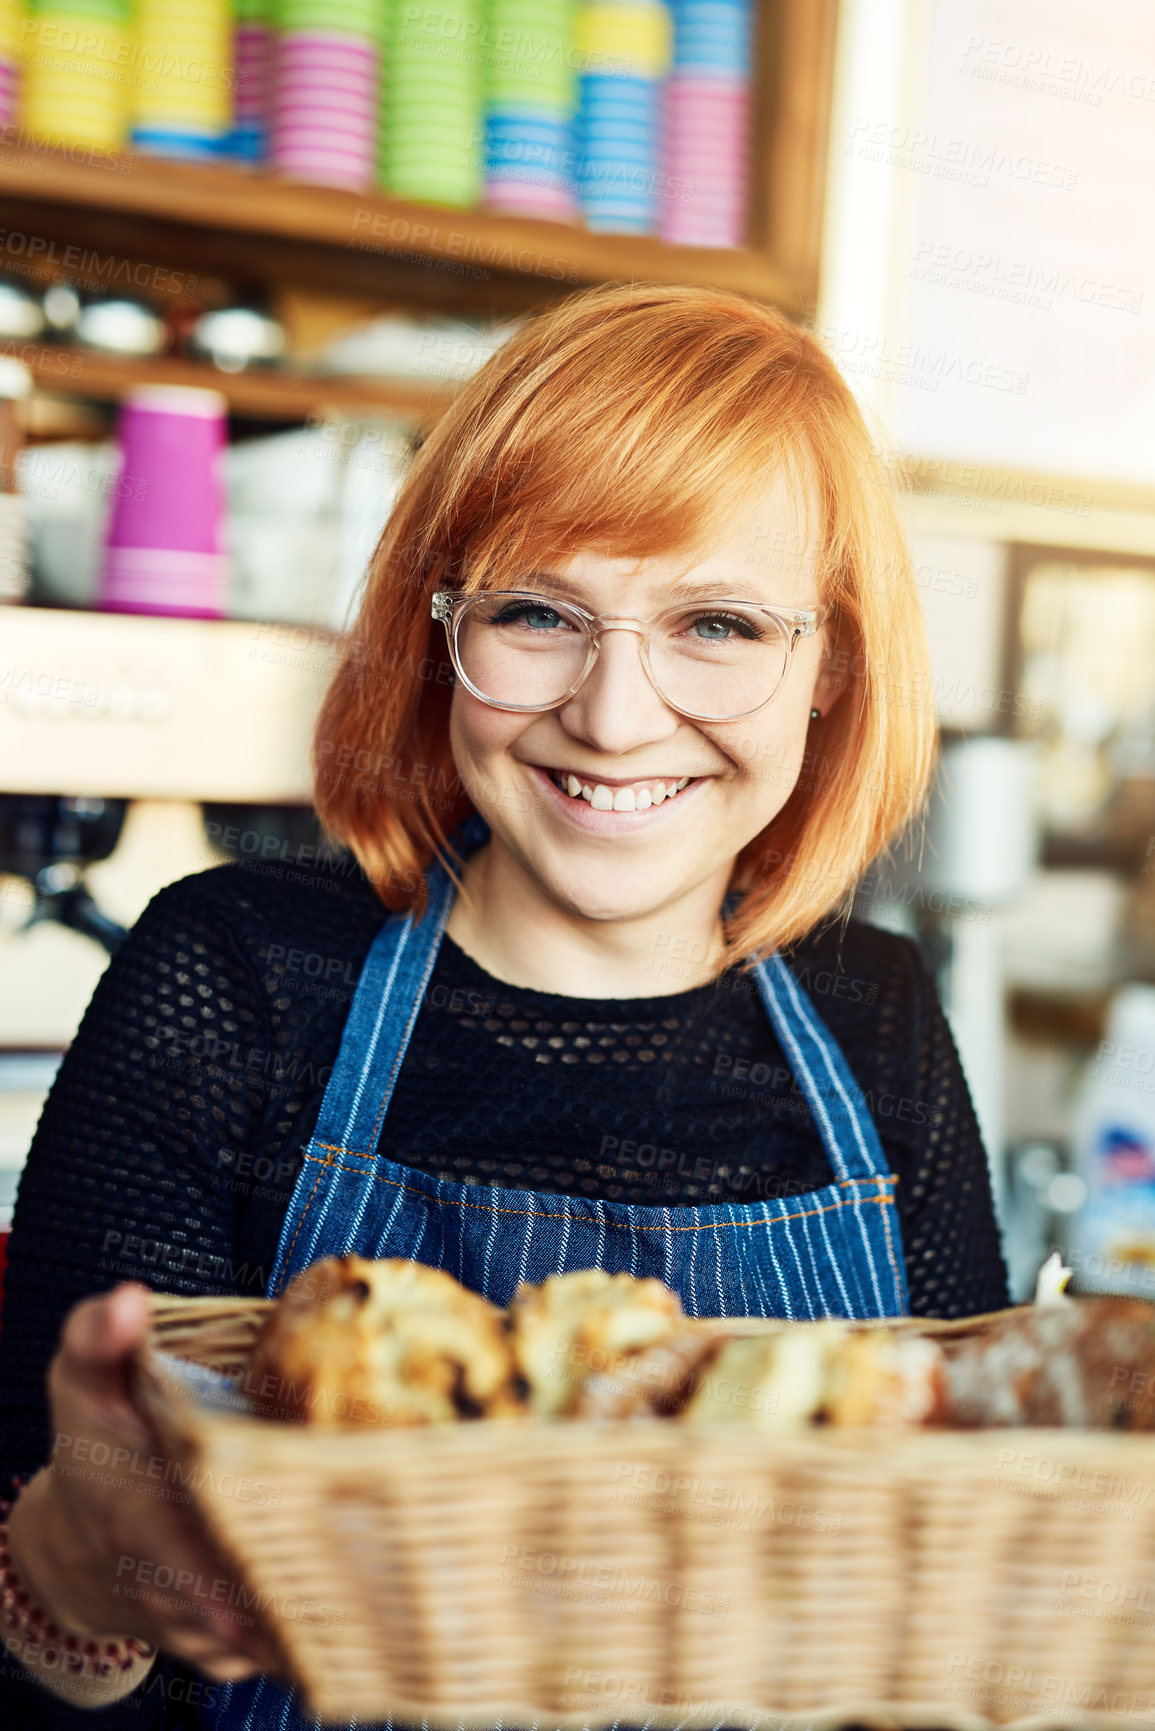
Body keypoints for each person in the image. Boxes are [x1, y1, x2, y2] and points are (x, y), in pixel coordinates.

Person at [0, 281, 1008, 1729]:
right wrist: (78, 1588)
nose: (614, 715)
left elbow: (951, 1582)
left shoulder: (877, 1012)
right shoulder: (233, 975)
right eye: (538, 613)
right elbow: (35, 1629)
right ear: (438, 630)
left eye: (716, 624)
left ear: (830, 660)